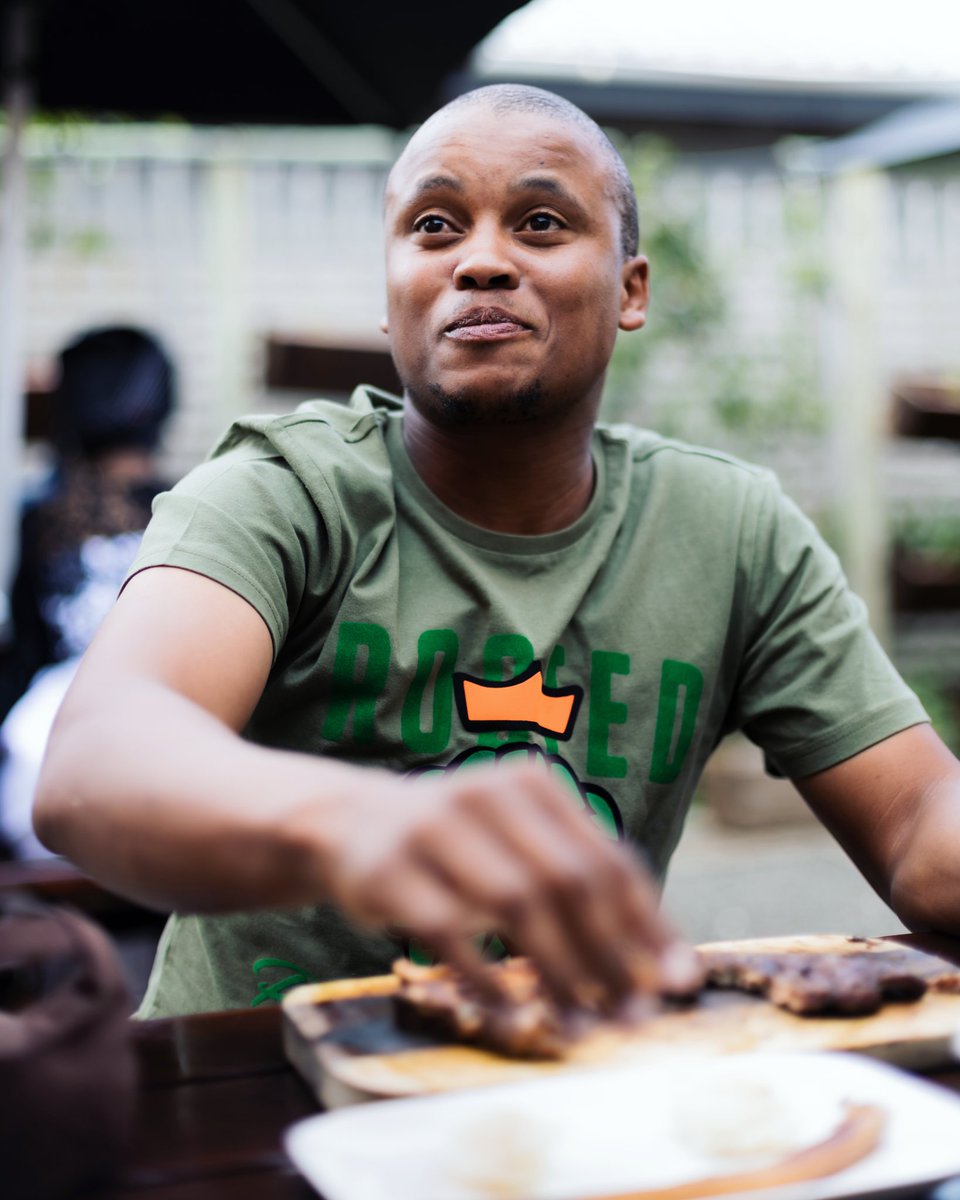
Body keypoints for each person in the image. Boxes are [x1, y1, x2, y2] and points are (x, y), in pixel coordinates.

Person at [34, 85, 960, 1021]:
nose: (480, 261)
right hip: (249, 1105)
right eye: (435, 227)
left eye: (542, 223)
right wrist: (360, 822)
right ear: (390, 293)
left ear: (630, 290)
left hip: (556, 1097)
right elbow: (94, 766)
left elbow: (921, 823)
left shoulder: (731, 532)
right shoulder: (285, 490)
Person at [0, 326, 174, 858]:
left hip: (46, 776)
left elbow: (26, 652)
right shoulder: (185, 507)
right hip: (165, 765)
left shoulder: (44, 517)